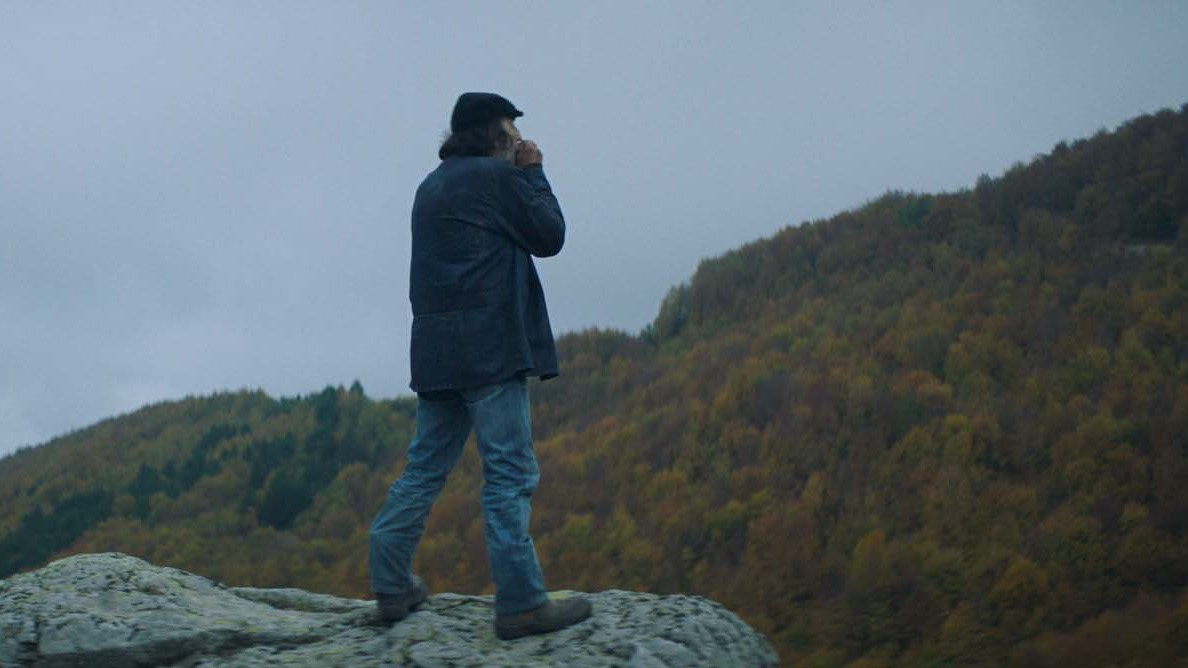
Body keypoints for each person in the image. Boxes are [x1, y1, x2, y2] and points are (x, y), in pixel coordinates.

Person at [368, 92, 592, 640]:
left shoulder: (430, 187)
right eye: (511, 133)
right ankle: (520, 605)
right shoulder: (500, 180)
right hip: (491, 352)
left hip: (438, 355)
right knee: (509, 477)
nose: (517, 141)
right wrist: (534, 172)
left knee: (422, 471)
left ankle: (391, 586)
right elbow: (550, 235)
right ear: (495, 135)